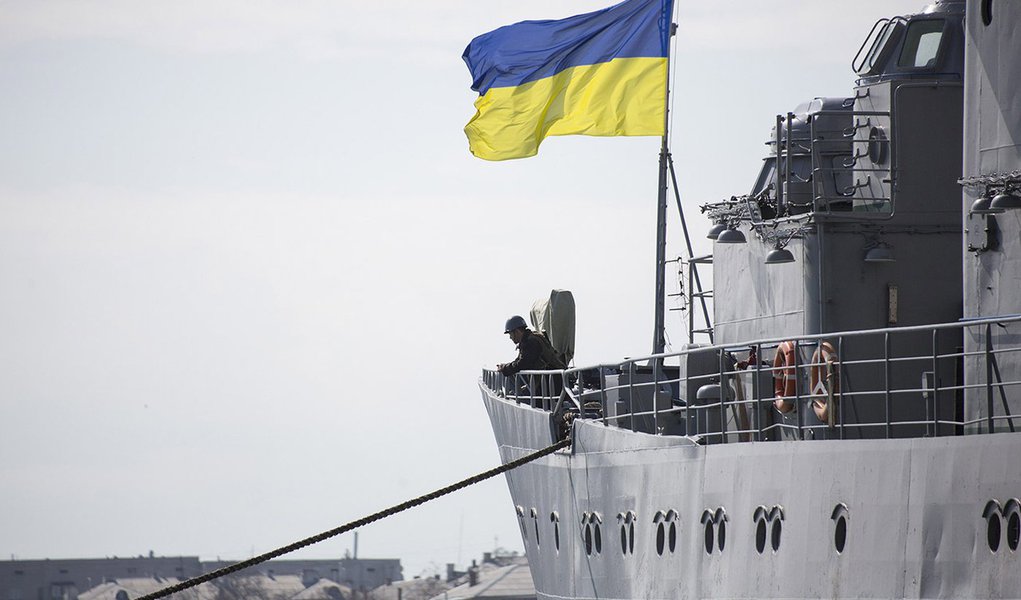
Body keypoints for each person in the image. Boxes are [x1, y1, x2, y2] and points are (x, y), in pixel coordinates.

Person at [497, 315, 566, 376]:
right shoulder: (528, 340)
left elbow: (523, 363)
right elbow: (519, 361)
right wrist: (505, 366)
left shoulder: (531, 342)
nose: (510, 337)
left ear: (517, 331)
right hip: (549, 379)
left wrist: (505, 368)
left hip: (552, 381)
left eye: (510, 334)